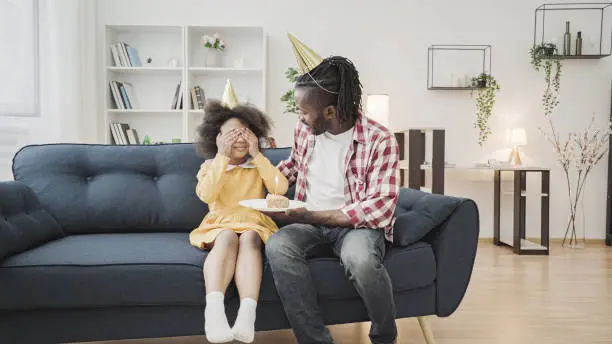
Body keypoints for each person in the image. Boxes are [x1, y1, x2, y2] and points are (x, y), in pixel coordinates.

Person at [264, 34, 401, 344]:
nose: (298, 116)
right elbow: (294, 165)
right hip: (309, 220)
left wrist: (313, 215)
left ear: (329, 111)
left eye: (303, 110)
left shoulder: (380, 140)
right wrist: (259, 176)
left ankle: (385, 336)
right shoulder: (305, 129)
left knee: (362, 259)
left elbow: (380, 207)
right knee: (278, 246)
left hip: (354, 225)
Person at [190, 86, 288, 344]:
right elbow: (206, 194)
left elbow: (279, 187)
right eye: (232, 134)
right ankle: (214, 311)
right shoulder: (211, 165)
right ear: (218, 137)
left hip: (253, 224)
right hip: (220, 223)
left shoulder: (258, 165)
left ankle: (247, 314)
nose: (240, 139)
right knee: (226, 239)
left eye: (245, 133)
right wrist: (221, 158)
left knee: (250, 239)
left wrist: (257, 154)